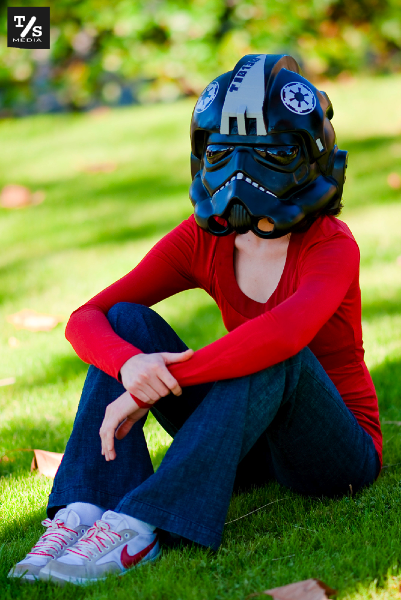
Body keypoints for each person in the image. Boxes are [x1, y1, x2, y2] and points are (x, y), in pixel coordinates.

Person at [9, 54, 381, 586]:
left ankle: (140, 526)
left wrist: (160, 382)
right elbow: (86, 317)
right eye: (225, 152)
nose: (242, 171)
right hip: (245, 440)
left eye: (270, 152)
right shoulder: (201, 240)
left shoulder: (331, 245)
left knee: (274, 351)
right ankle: (86, 508)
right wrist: (131, 365)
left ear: (308, 154)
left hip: (334, 451)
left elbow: (284, 335)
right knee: (127, 320)